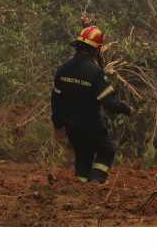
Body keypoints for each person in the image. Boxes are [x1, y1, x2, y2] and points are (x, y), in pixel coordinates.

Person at [51, 25, 133, 183]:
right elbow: (109, 103)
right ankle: (95, 182)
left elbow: (55, 100)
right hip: (91, 126)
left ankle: (81, 190)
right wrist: (127, 109)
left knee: (83, 158)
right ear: (96, 50)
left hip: (71, 127)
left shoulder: (63, 70)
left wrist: (57, 122)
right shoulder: (95, 73)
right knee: (106, 151)